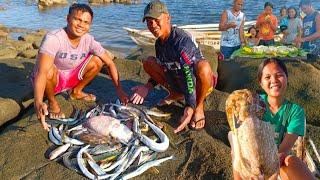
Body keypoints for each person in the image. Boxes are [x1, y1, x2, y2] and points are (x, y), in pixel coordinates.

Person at [32, 3, 129, 131]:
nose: (81, 25)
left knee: (97, 61)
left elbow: (110, 63)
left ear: (90, 25)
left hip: (72, 76)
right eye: (77, 19)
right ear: (68, 18)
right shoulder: (53, 38)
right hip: (51, 80)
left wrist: (119, 90)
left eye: (86, 22)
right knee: (48, 69)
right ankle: (52, 102)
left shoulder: (89, 40)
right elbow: (41, 72)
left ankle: (76, 92)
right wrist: (38, 101)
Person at [130, 0, 218, 133]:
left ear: (168, 17)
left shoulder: (181, 41)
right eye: (149, 21)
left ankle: (199, 107)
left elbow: (188, 74)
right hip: (179, 78)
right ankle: (176, 94)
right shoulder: (159, 43)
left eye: (156, 19)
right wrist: (147, 87)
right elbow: (164, 67)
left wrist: (190, 106)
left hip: (196, 83)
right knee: (148, 62)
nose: (153, 25)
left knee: (204, 67)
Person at [230, 58, 315, 180]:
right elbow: (242, 141)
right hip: (253, 162)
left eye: (279, 75)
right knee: (236, 149)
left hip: (279, 163)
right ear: (260, 83)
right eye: (267, 77)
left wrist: (272, 176)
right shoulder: (252, 104)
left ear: (287, 78)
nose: (274, 80)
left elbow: (283, 151)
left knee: (291, 160)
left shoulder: (296, 111)